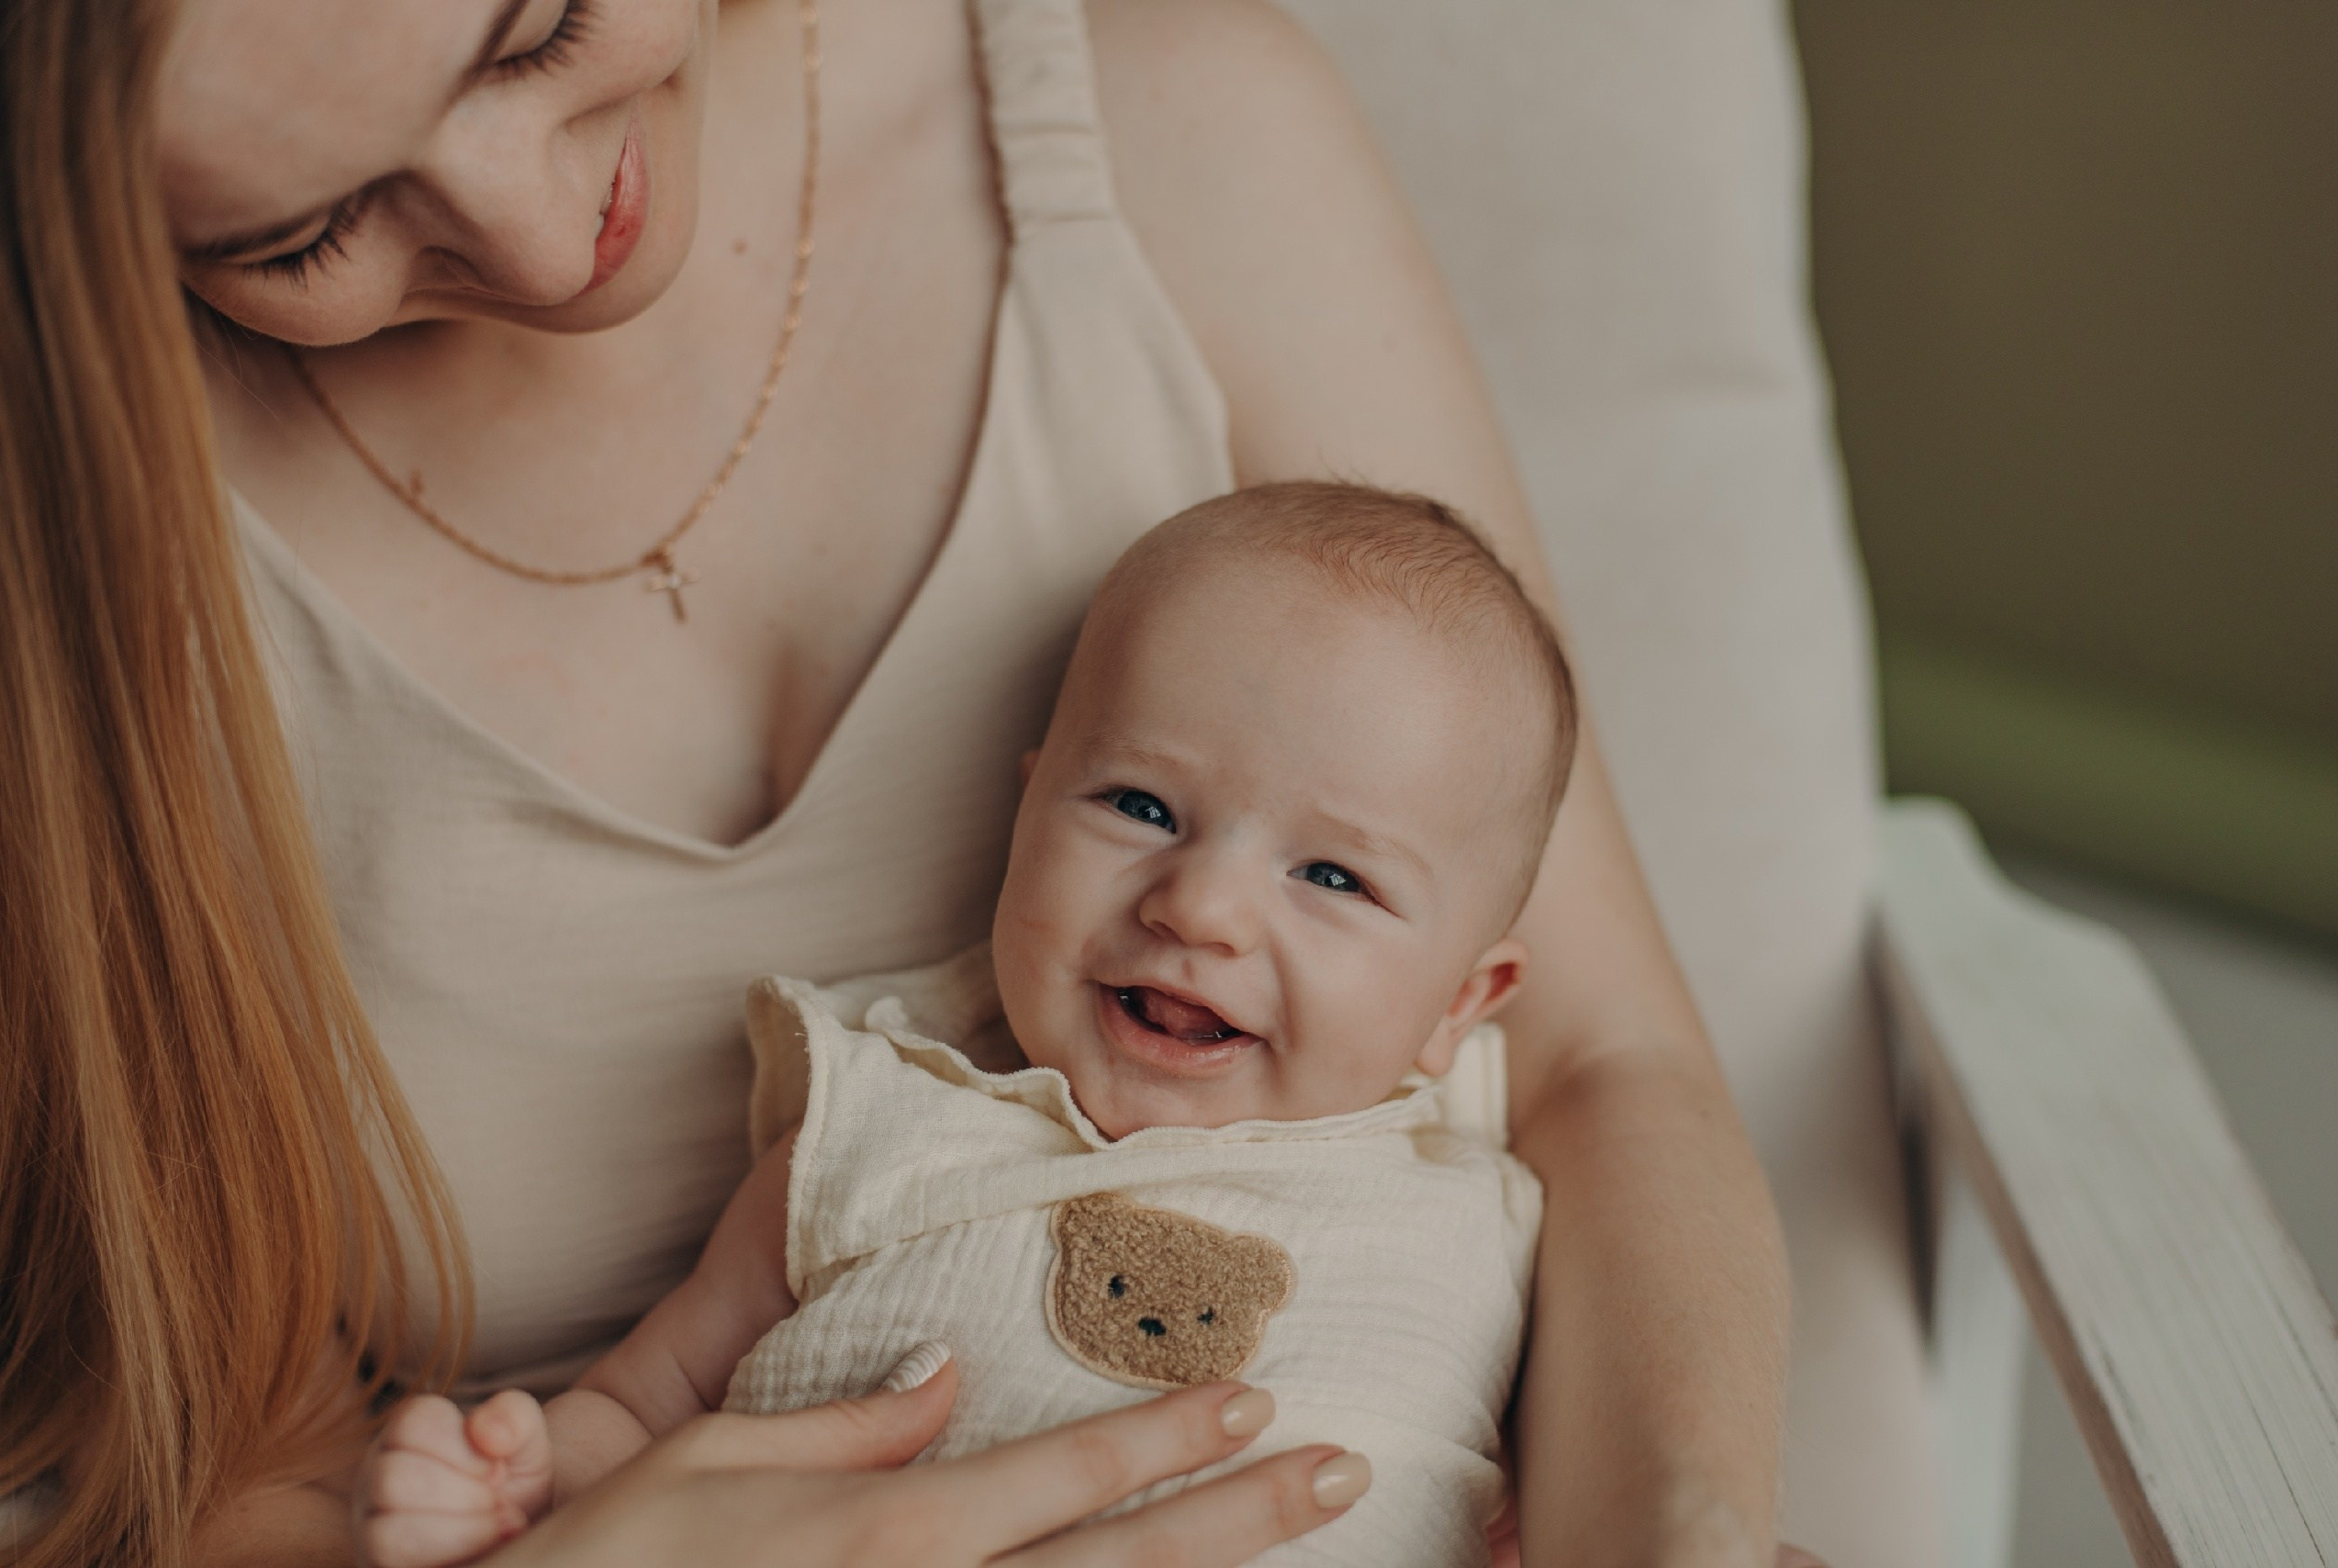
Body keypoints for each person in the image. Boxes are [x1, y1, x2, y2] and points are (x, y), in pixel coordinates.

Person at [0, 0, 1829, 1563]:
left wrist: (1675, 1528)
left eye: (539, 25)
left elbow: (1596, 1060)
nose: (546, 241)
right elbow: (189, 1432)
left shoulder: (1148, 123)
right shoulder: (56, 521)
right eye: (302, 235)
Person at [350, 485, 1564, 1568]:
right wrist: (519, 1488)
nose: (1200, 905)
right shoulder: (876, 1140)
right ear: (1028, 805)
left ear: (1460, 1003)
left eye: (1335, 878)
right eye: (1140, 805)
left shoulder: (1488, 1217)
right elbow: (639, 1410)